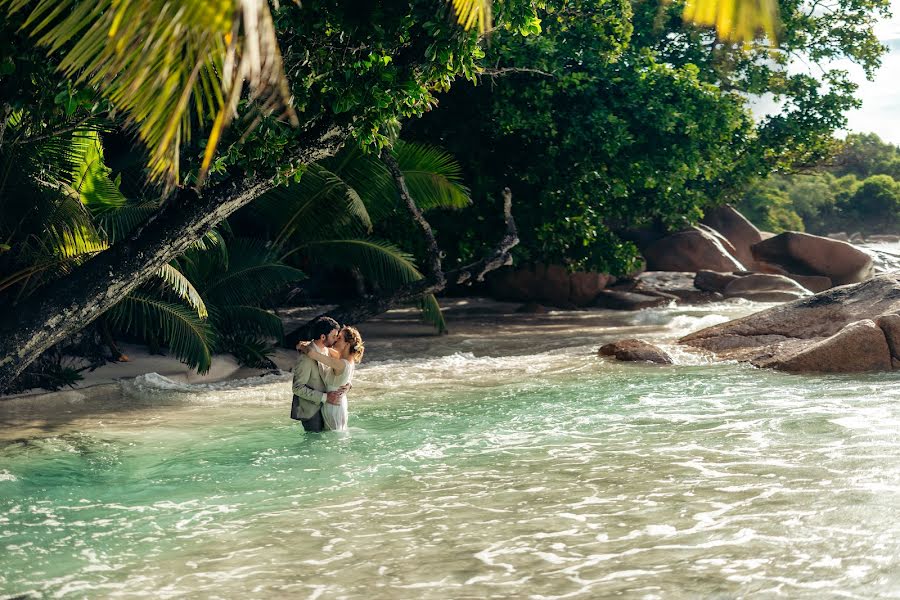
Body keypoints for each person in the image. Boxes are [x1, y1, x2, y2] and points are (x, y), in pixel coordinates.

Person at [298, 326, 365, 431]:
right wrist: (309, 343)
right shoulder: (346, 358)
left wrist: (301, 347)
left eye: (339, 338)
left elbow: (312, 353)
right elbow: (324, 348)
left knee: (333, 437)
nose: (335, 340)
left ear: (347, 344)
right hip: (338, 403)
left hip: (333, 406)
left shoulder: (340, 363)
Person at [290, 316, 340, 432]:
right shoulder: (305, 358)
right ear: (323, 337)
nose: (336, 339)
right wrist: (325, 397)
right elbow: (297, 388)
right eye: (333, 336)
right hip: (311, 412)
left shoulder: (327, 351)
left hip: (327, 408)